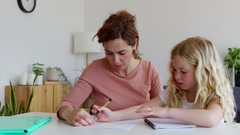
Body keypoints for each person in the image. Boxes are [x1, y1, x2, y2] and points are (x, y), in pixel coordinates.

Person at [91, 36, 236, 128]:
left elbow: (210, 119)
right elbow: (144, 108)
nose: (176, 76)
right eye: (174, 70)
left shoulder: (215, 94)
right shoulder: (175, 91)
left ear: (203, 71)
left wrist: (167, 111)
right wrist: (114, 115)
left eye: (183, 71)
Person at [57, 10, 164, 126]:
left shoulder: (149, 70)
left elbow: (161, 109)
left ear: (135, 44)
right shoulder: (95, 70)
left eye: (122, 53)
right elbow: (65, 106)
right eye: (109, 53)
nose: (115, 60)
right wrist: (69, 114)